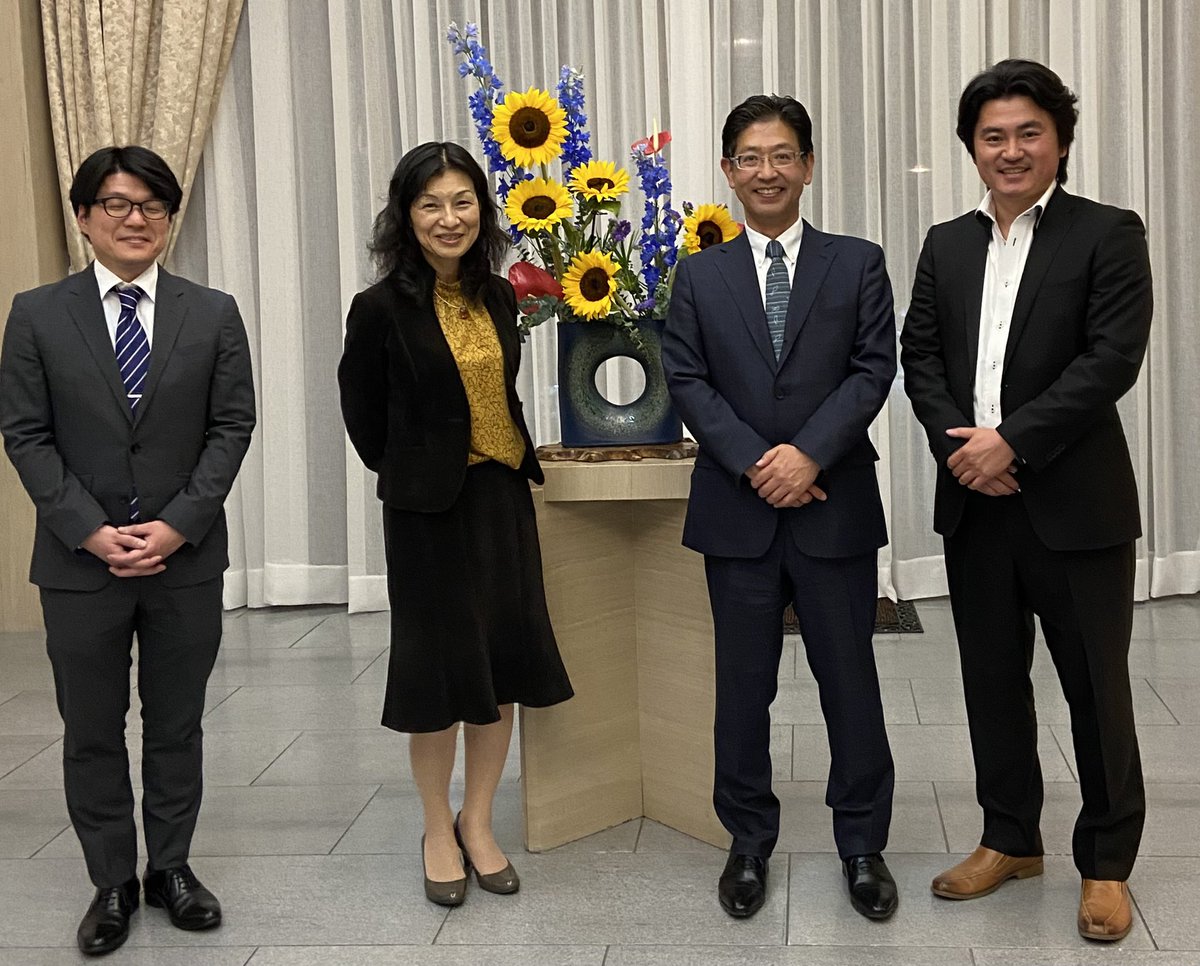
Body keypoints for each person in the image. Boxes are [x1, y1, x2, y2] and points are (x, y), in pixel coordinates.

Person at [900, 59, 1152, 942]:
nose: (1010, 150)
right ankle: (1010, 838)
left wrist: (1016, 441)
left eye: (1028, 133)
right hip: (977, 501)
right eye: (993, 135)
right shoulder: (947, 243)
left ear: (1060, 142)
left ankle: (1107, 863)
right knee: (992, 683)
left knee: (1096, 688)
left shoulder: (1108, 233)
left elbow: (1110, 361)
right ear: (972, 147)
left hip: (1074, 507)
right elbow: (919, 358)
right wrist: (965, 451)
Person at [0, 145, 255, 955]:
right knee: (92, 728)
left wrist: (180, 523)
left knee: (176, 724)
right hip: (80, 564)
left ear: (170, 217)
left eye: (150, 204)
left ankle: (171, 869)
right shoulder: (37, 313)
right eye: (115, 204)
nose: (134, 218)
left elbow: (231, 427)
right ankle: (111, 880)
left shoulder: (211, 312)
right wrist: (88, 528)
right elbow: (26, 433)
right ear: (83, 217)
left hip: (186, 560)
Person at [662, 94, 899, 921]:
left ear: (806, 164)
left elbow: (873, 370)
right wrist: (757, 462)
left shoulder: (858, 261)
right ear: (729, 171)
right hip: (737, 510)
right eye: (751, 158)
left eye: (783, 155)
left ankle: (863, 845)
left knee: (851, 684)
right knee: (742, 689)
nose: (768, 171)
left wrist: (808, 456)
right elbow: (686, 378)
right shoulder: (697, 275)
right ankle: (748, 841)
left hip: (832, 506)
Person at [338, 141, 573, 907]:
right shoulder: (377, 310)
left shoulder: (500, 296)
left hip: (502, 498)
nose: (450, 218)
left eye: (463, 201)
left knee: (500, 666)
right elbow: (365, 420)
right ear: (406, 215)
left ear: (483, 208)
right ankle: (437, 825)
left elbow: (500, 392)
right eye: (431, 204)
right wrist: (419, 470)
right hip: (428, 514)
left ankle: (479, 820)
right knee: (439, 674)